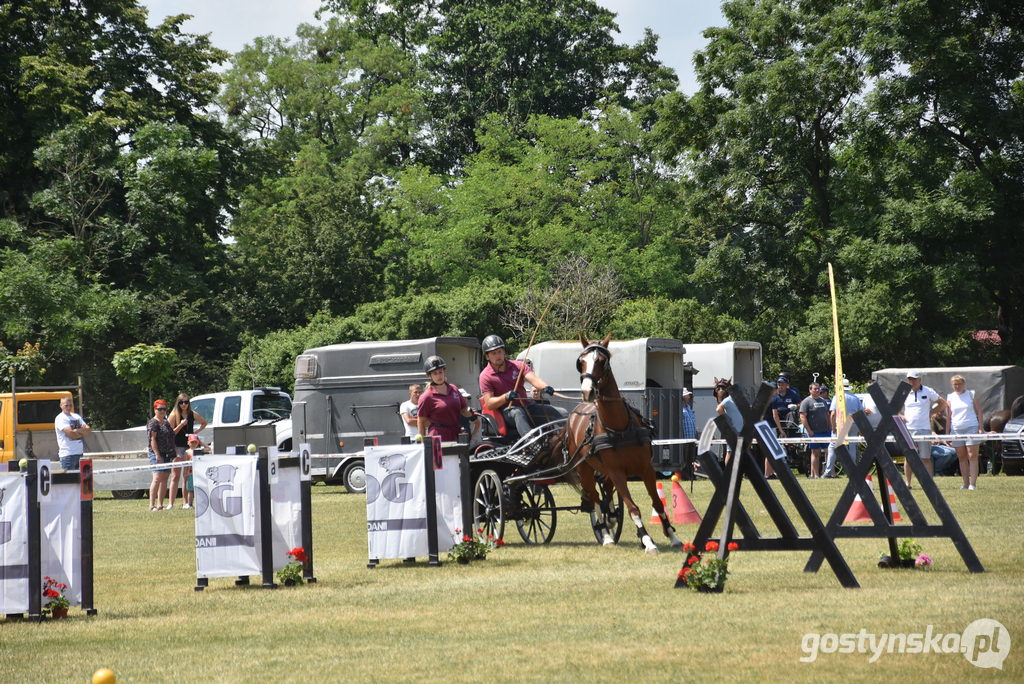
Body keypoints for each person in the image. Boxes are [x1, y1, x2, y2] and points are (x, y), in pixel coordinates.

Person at [478, 334, 565, 438]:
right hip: (507, 411)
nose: (498, 356)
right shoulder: (485, 376)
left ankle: (568, 443)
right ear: (487, 356)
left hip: (528, 407)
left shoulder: (518, 366)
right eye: (494, 353)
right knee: (518, 412)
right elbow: (489, 404)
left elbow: (534, 379)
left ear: (504, 351)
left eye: (500, 351)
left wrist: (545, 387)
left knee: (562, 413)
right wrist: (505, 397)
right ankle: (532, 443)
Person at [899, 370, 946, 487]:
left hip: (924, 429)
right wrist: (901, 416)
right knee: (909, 457)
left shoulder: (928, 390)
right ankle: (907, 483)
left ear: (919, 379)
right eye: (910, 379)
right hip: (908, 429)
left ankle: (928, 483)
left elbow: (942, 403)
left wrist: (931, 412)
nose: (912, 381)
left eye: (914, 379)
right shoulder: (903, 391)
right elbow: (893, 407)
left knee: (925, 457)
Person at [417, 355, 477, 442]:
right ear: (429, 376)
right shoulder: (426, 396)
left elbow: (463, 410)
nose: (439, 376)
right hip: (438, 437)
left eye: (440, 372)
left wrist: (469, 411)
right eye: (435, 373)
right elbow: (421, 421)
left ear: (444, 371)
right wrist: (423, 444)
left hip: (456, 433)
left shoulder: (454, 389)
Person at [167, 393, 207, 510]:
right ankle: (171, 503)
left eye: (186, 402)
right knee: (175, 475)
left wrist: (196, 433)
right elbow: (170, 433)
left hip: (189, 447)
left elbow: (204, 422)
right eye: (181, 402)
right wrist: (180, 425)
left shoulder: (192, 414)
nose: (184, 404)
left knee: (186, 476)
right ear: (177, 403)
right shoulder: (174, 415)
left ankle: (186, 503)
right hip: (178, 446)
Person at [946, 375, 985, 490]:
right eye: (955, 384)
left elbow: (979, 411)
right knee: (961, 457)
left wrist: (980, 427)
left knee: (972, 456)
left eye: (959, 384)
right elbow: (948, 417)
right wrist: (947, 433)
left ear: (964, 384)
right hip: (956, 429)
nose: (957, 386)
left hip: (971, 427)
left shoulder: (971, 394)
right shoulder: (950, 397)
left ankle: (973, 484)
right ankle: (965, 483)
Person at [824, 378, 863, 478]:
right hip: (853, 423)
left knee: (832, 447)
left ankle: (828, 471)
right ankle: (852, 471)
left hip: (840, 424)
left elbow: (833, 414)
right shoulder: (855, 398)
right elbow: (860, 414)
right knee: (852, 447)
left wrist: (833, 427)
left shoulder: (837, 397)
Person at [768, 376, 801, 477]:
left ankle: (788, 432)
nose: (780, 386)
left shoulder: (792, 393)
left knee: (791, 414)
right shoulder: (774, 396)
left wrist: (796, 406)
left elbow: (800, 403)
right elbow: (774, 413)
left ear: (787, 385)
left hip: (788, 415)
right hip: (776, 417)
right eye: (779, 384)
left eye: (782, 384)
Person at [147, 399, 177, 511]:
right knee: (157, 478)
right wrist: (157, 454)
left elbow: (171, 435)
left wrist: (174, 450)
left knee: (165, 478)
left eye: (164, 409)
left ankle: (160, 505)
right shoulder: (153, 422)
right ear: (155, 410)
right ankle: (151, 505)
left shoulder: (166, 422)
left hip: (168, 453)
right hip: (157, 453)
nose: (162, 411)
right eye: (160, 409)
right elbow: (152, 439)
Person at [799, 383, 830, 478]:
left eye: (818, 389)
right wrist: (809, 430)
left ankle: (828, 473)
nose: (817, 390)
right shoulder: (806, 401)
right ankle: (816, 474)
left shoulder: (823, 401)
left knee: (829, 452)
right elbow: (802, 416)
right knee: (815, 453)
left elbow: (827, 414)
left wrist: (830, 426)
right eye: (815, 389)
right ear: (810, 390)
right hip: (814, 432)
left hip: (826, 431)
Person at [54, 396, 91, 470]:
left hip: (79, 454)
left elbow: (88, 430)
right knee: (69, 481)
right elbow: (71, 435)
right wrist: (81, 430)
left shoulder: (76, 416)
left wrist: (77, 431)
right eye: (66, 405)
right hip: (68, 456)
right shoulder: (60, 418)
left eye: (70, 405)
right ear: (61, 406)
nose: (68, 407)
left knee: (79, 481)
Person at [715, 385, 744, 465]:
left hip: (741, 430)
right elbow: (718, 409)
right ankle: (728, 471)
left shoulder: (740, 401)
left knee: (739, 452)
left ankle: (736, 471)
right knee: (730, 451)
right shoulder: (728, 400)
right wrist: (726, 418)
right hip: (732, 430)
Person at [180, 433, 208, 510]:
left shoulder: (200, 450)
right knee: (191, 490)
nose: (194, 444)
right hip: (190, 473)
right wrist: (185, 473)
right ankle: (189, 504)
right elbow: (185, 463)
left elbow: (208, 449)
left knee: (200, 489)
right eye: (192, 442)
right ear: (188, 443)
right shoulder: (187, 452)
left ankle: (200, 503)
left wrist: (201, 442)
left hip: (199, 473)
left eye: (195, 442)